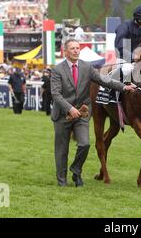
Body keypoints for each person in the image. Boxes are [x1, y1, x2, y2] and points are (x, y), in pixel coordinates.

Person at [51, 39, 136, 187]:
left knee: (84, 144)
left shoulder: (87, 67)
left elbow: (105, 80)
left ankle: (76, 170)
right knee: (62, 149)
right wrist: (70, 108)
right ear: (66, 51)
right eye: (73, 48)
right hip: (62, 114)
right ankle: (62, 180)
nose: (76, 50)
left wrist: (123, 87)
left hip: (82, 114)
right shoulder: (57, 70)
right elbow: (56, 94)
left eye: (78, 48)